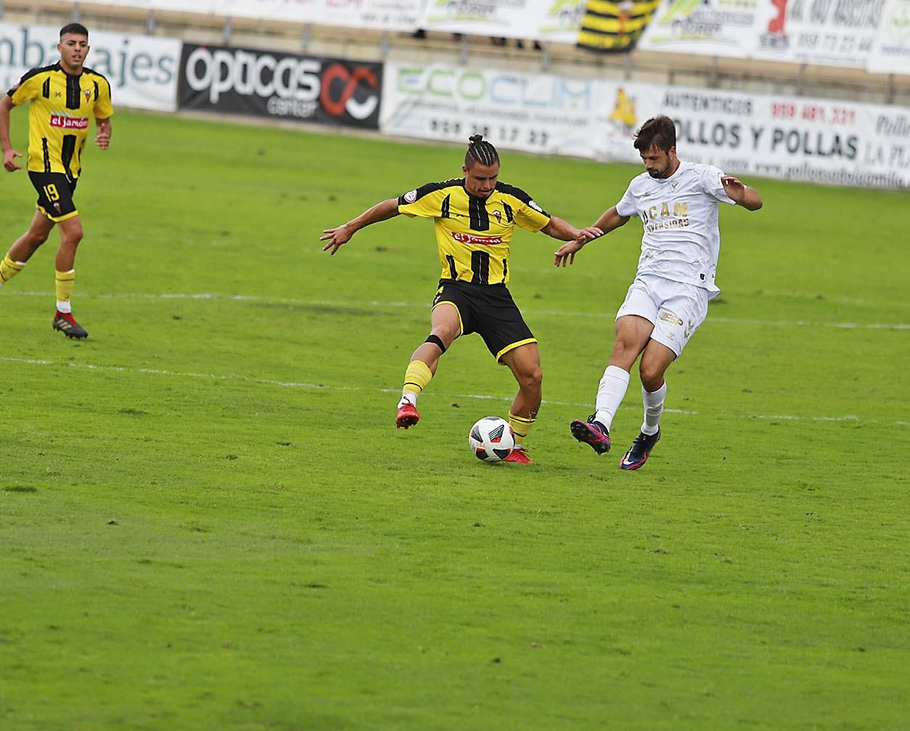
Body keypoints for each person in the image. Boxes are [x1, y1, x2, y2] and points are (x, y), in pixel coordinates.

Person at [319, 135, 588, 460]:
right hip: (456, 289)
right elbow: (392, 205)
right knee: (441, 332)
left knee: (533, 376)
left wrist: (576, 234)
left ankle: (513, 443)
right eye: (480, 179)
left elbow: (548, 223)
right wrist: (351, 226)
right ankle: (408, 400)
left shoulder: (511, 199)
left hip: (496, 298)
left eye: (493, 178)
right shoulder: (441, 195)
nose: (487, 185)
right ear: (465, 170)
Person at [554, 115, 763, 471]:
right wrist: (581, 239)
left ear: (672, 150)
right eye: (644, 160)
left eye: (654, 159)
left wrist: (742, 193)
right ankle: (600, 423)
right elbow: (618, 214)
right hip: (649, 281)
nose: (649, 166)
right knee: (624, 344)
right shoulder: (640, 186)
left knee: (650, 371)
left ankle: (649, 432)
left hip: (689, 289)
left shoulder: (702, 177)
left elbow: (754, 202)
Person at [0, 23, 113, 340]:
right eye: (71, 43)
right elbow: (4, 106)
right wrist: (6, 148)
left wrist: (105, 132)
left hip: (71, 171)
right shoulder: (41, 80)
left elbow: (104, 119)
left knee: (37, 236)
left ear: (88, 49)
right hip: (43, 167)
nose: (77, 48)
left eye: (83, 44)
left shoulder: (98, 85)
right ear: (59, 47)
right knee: (74, 233)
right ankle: (63, 312)